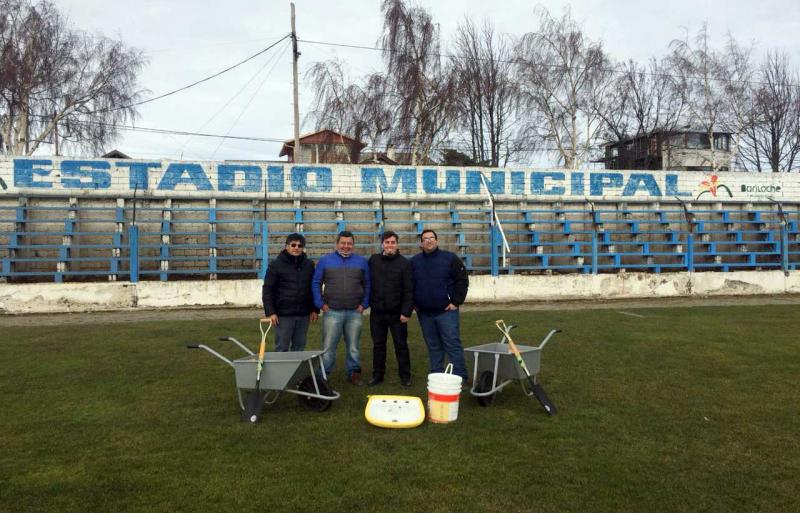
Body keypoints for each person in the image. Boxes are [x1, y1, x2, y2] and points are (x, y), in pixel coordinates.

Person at [410, 229, 470, 382]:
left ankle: (460, 377)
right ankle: (437, 376)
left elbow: (462, 280)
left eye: (431, 238)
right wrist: (415, 304)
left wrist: (456, 301)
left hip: (446, 312)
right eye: (425, 239)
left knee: (452, 344)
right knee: (433, 347)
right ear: (421, 243)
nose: (428, 241)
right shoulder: (414, 262)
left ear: (436, 241)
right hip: (425, 314)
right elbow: (409, 285)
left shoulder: (450, 258)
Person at [312, 230, 370, 385]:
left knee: (353, 346)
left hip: (354, 312)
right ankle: (323, 375)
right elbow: (316, 283)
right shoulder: (325, 261)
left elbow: (368, 284)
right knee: (328, 347)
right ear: (337, 244)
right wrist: (320, 304)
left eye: (349, 243)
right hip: (332, 311)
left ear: (353, 245)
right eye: (343, 243)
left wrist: (364, 304)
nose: (346, 246)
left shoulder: (361, 262)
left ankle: (354, 373)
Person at [367, 230, 414, 387]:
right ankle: (377, 375)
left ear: (397, 244)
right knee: (378, 345)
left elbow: (409, 289)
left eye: (393, 242)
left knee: (401, 345)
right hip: (377, 313)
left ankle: (405, 376)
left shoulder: (404, 263)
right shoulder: (373, 260)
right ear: (382, 244)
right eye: (387, 242)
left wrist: (406, 311)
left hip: (397, 314)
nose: (390, 245)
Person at [261, 233, 318, 351]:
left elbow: (312, 288)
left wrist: (314, 309)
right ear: (287, 246)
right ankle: (280, 370)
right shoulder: (276, 265)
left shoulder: (309, 265)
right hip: (283, 315)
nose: (296, 248)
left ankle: (296, 370)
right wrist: (271, 312)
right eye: (293, 245)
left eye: (300, 245)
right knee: (281, 347)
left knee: (299, 347)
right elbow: (268, 289)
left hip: (303, 314)